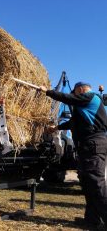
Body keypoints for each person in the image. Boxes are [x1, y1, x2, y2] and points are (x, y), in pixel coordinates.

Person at [40, 81, 107, 229]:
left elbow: (68, 99)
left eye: (74, 93)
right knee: (88, 184)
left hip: (93, 145)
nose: (73, 97)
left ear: (81, 90)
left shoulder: (91, 97)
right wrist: (56, 127)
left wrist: (48, 92)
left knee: (96, 183)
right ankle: (92, 220)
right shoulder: (85, 106)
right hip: (86, 147)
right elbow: (73, 122)